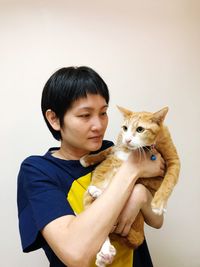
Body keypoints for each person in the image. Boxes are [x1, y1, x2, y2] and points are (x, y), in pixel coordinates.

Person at [17, 66, 164, 267]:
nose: (99, 125)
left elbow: (157, 220)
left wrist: (140, 194)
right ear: (54, 119)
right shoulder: (38, 170)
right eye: (85, 115)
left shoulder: (113, 151)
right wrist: (132, 170)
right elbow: (77, 254)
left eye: (103, 113)